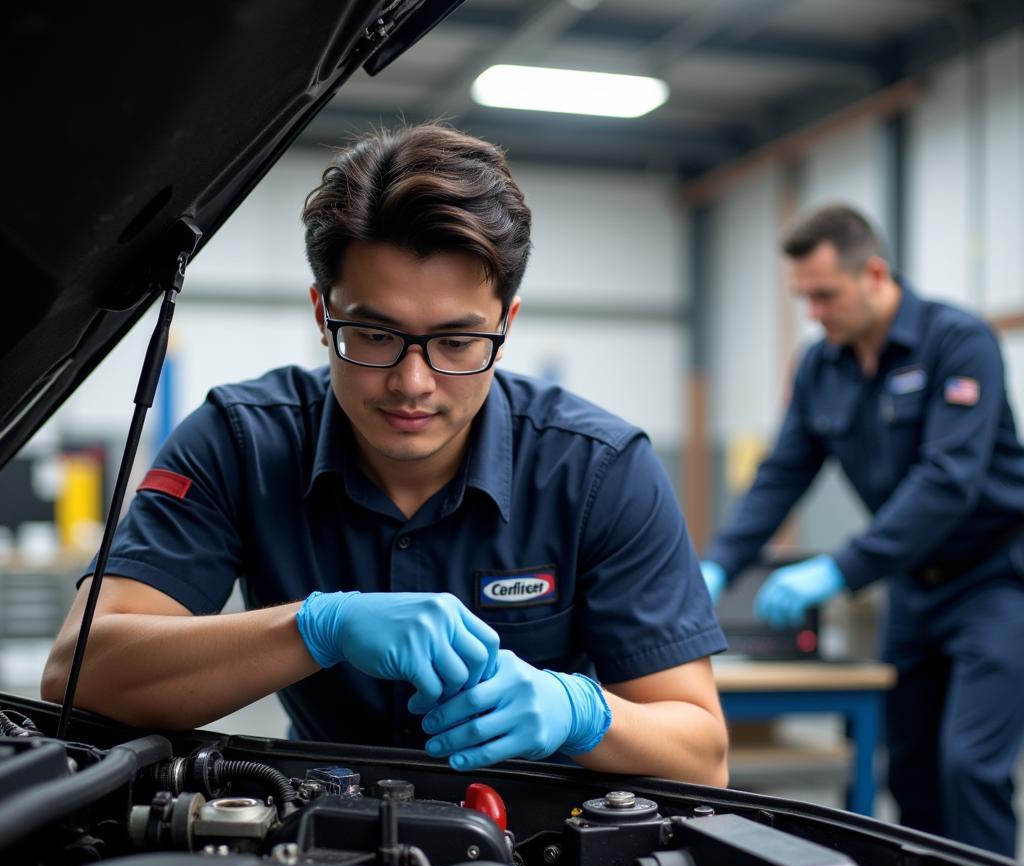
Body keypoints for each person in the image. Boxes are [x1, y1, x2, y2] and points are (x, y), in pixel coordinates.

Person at [42, 123, 728, 784]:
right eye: (373, 334)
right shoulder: (240, 443)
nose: (413, 382)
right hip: (311, 837)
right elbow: (80, 674)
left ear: (505, 327)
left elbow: (702, 755)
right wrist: (317, 627)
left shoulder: (599, 470)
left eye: (457, 342)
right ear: (322, 313)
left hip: (535, 842)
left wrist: (583, 713)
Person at [700, 203, 1024, 855]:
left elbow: (948, 480)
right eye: (804, 299)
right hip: (913, 588)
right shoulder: (823, 367)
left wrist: (840, 568)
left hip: (995, 580)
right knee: (906, 767)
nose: (814, 313)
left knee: (970, 764)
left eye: (825, 295)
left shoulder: (958, 342)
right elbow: (782, 473)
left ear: (873, 273)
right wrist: (718, 565)